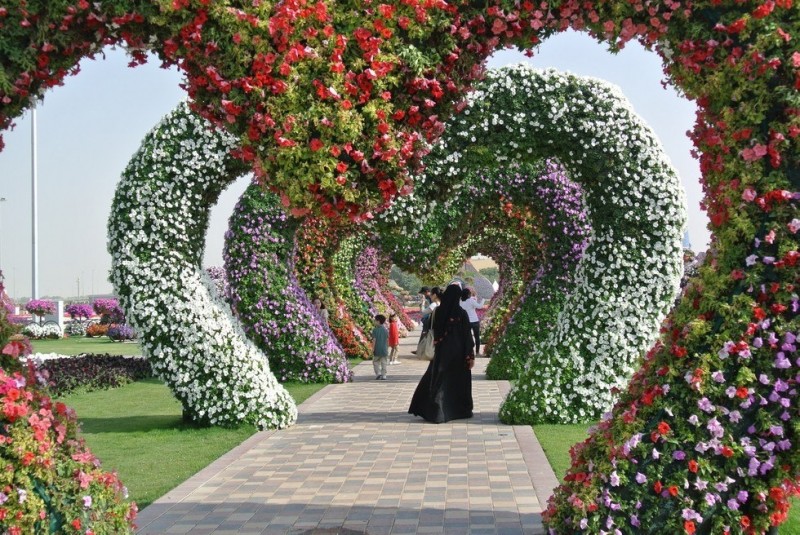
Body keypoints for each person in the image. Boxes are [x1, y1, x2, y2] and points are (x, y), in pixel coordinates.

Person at [408, 284, 475, 423]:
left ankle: (436, 412)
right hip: (459, 353)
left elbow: (434, 329)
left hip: (442, 352)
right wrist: (470, 355)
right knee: (457, 381)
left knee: (438, 379)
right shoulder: (461, 313)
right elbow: (467, 335)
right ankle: (458, 410)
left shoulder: (439, 311)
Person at [460, 287, 484, 356]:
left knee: (466, 337)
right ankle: (477, 352)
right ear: (468, 294)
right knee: (477, 337)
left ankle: (467, 352)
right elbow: (479, 306)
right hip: (474, 321)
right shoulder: (471, 300)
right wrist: (483, 300)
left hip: (466, 321)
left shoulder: (461, 302)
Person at [371, 314, 389, 380]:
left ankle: (378, 373)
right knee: (384, 362)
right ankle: (384, 375)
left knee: (375, 362)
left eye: (375, 321)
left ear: (378, 321)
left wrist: (373, 349)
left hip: (377, 349)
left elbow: (374, 340)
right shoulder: (385, 330)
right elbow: (387, 340)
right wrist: (387, 348)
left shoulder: (375, 330)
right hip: (384, 349)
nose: (374, 322)